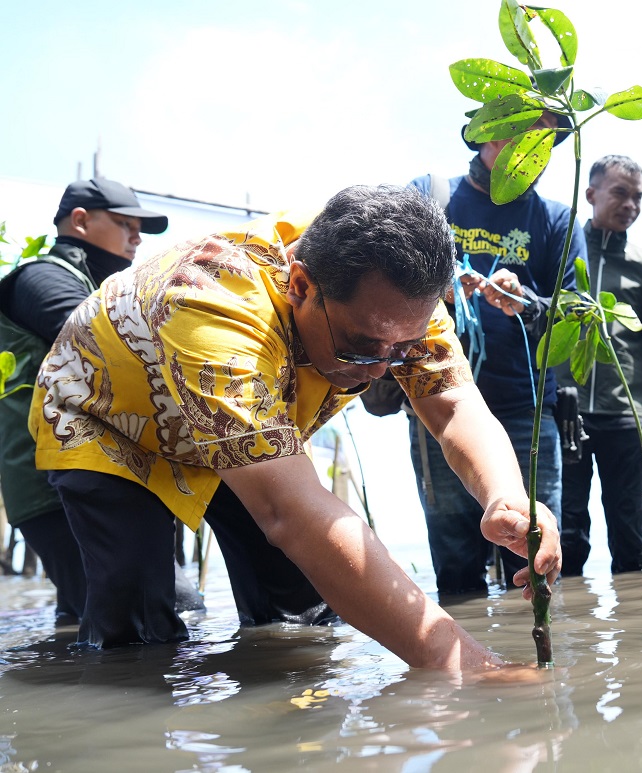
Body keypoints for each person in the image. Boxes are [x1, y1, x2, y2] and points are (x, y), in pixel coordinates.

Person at [30, 185, 560, 669]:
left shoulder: (399, 299)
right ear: (301, 284)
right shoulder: (210, 297)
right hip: (110, 419)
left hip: (236, 427)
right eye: (361, 345)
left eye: (402, 350)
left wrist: (508, 498)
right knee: (138, 623)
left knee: (299, 614)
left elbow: (451, 406)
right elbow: (291, 514)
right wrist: (468, 666)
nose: (381, 370)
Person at [0, 177, 195, 621]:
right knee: (156, 617)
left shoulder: (100, 287)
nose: (137, 237)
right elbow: (102, 343)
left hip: (94, 478)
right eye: (125, 223)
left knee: (88, 619)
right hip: (55, 485)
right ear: (81, 221)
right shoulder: (41, 278)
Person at [405, 112, 581, 595]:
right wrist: (438, 285)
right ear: (491, 132)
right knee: (457, 565)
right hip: (437, 405)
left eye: (548, 141)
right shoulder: (430, 196)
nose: (536, 150)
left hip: (527, 409)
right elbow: (385, 271)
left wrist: (527, 303)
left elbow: (575, 312)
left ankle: (541, 669)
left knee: (535, 562)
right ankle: (465, 669)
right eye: (526, 133)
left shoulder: (556, 220)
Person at [557, 155, 642, 576]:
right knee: (567, 534)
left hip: (626, 415)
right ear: (591, 194)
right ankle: (568, 632)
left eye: (638, 197)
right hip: (564, 412)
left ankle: (640, 631)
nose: (630, 205)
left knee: (630, 533)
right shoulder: (561, 251)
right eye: (620, 193)